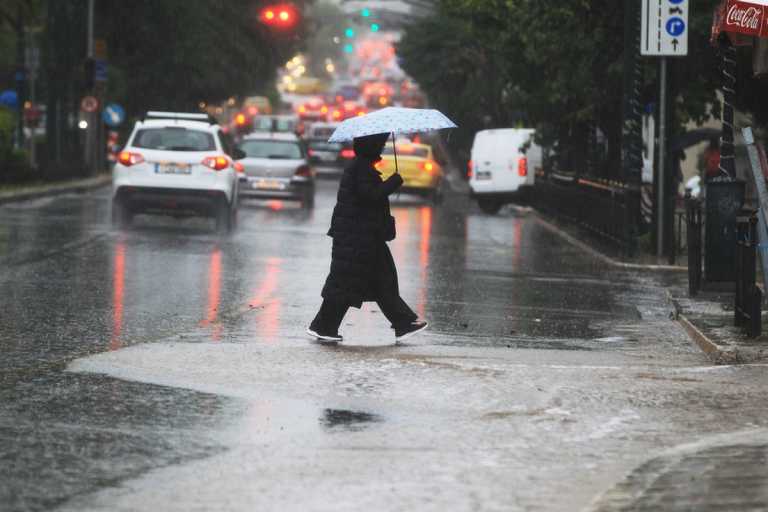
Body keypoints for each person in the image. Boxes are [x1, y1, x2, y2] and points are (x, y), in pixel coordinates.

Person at [308, 132, 428, 343]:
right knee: (351, 283)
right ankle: (323, 326)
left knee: (378, 281)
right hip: (358, 238)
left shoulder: (360, 166)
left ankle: (403, 323)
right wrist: (393, 182)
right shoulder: (360, 167)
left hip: (363, 236)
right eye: (380, 144)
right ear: (372, 146)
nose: (382, 148)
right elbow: (370, 196)